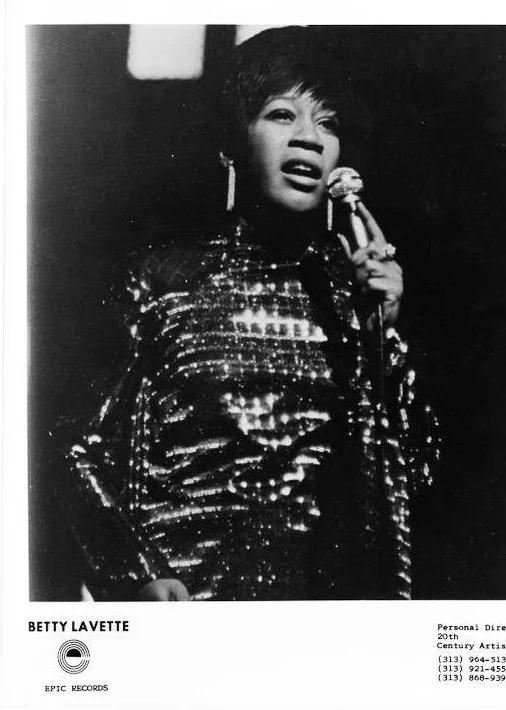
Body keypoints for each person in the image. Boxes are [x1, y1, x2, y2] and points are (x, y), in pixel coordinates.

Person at [60, 26, 440, 601]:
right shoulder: (162, 280)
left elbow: (412, 479)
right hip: (187, 606)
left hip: (321, 614)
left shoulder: (352, 299)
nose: (310, 138)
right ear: (230, 142)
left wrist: (381, 336)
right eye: (283, 115)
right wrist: (140, 572)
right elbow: (81, 449)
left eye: (329, 123)